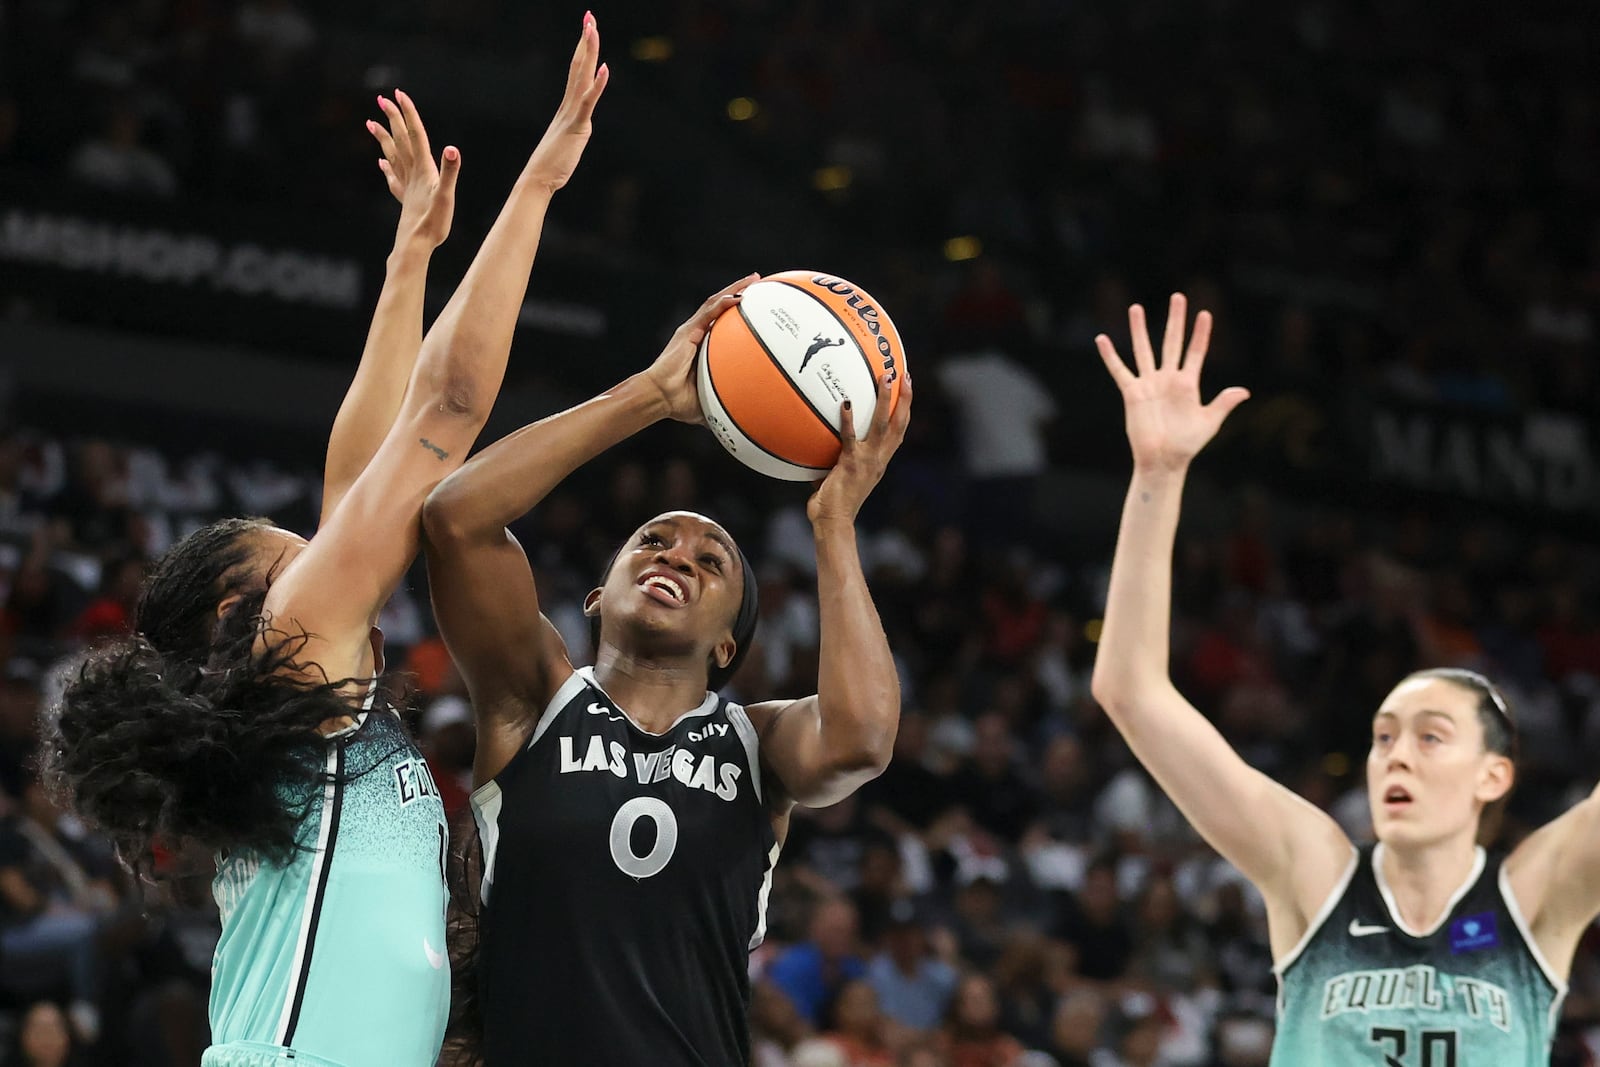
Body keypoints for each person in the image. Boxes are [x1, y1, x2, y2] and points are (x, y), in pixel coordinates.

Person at [45, 17, 610, 1067]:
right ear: (236, 613)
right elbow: (441, 411)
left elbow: (360, 474)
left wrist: (411, 257)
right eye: (293, 550)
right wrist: (535, 185)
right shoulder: (290, 652)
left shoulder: (299, 685)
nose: (326, 547)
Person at [1090, 294, 1600, 1064]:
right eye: (1384, 736)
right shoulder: (1316, 870)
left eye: (1431, 737)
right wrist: (1156, 476)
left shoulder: (1534, 896)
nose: (1395, 755)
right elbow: (1130, 690)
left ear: (1495, 774)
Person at [421, 284, 914, 1064]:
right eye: (651, 541)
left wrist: (834, 525)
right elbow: (456, 518)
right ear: (595, 596)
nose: (675, 554)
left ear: (727, 644)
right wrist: (649, 395)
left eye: (710, 562)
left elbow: (862, 738)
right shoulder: (535, 697)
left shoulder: (757, 740)